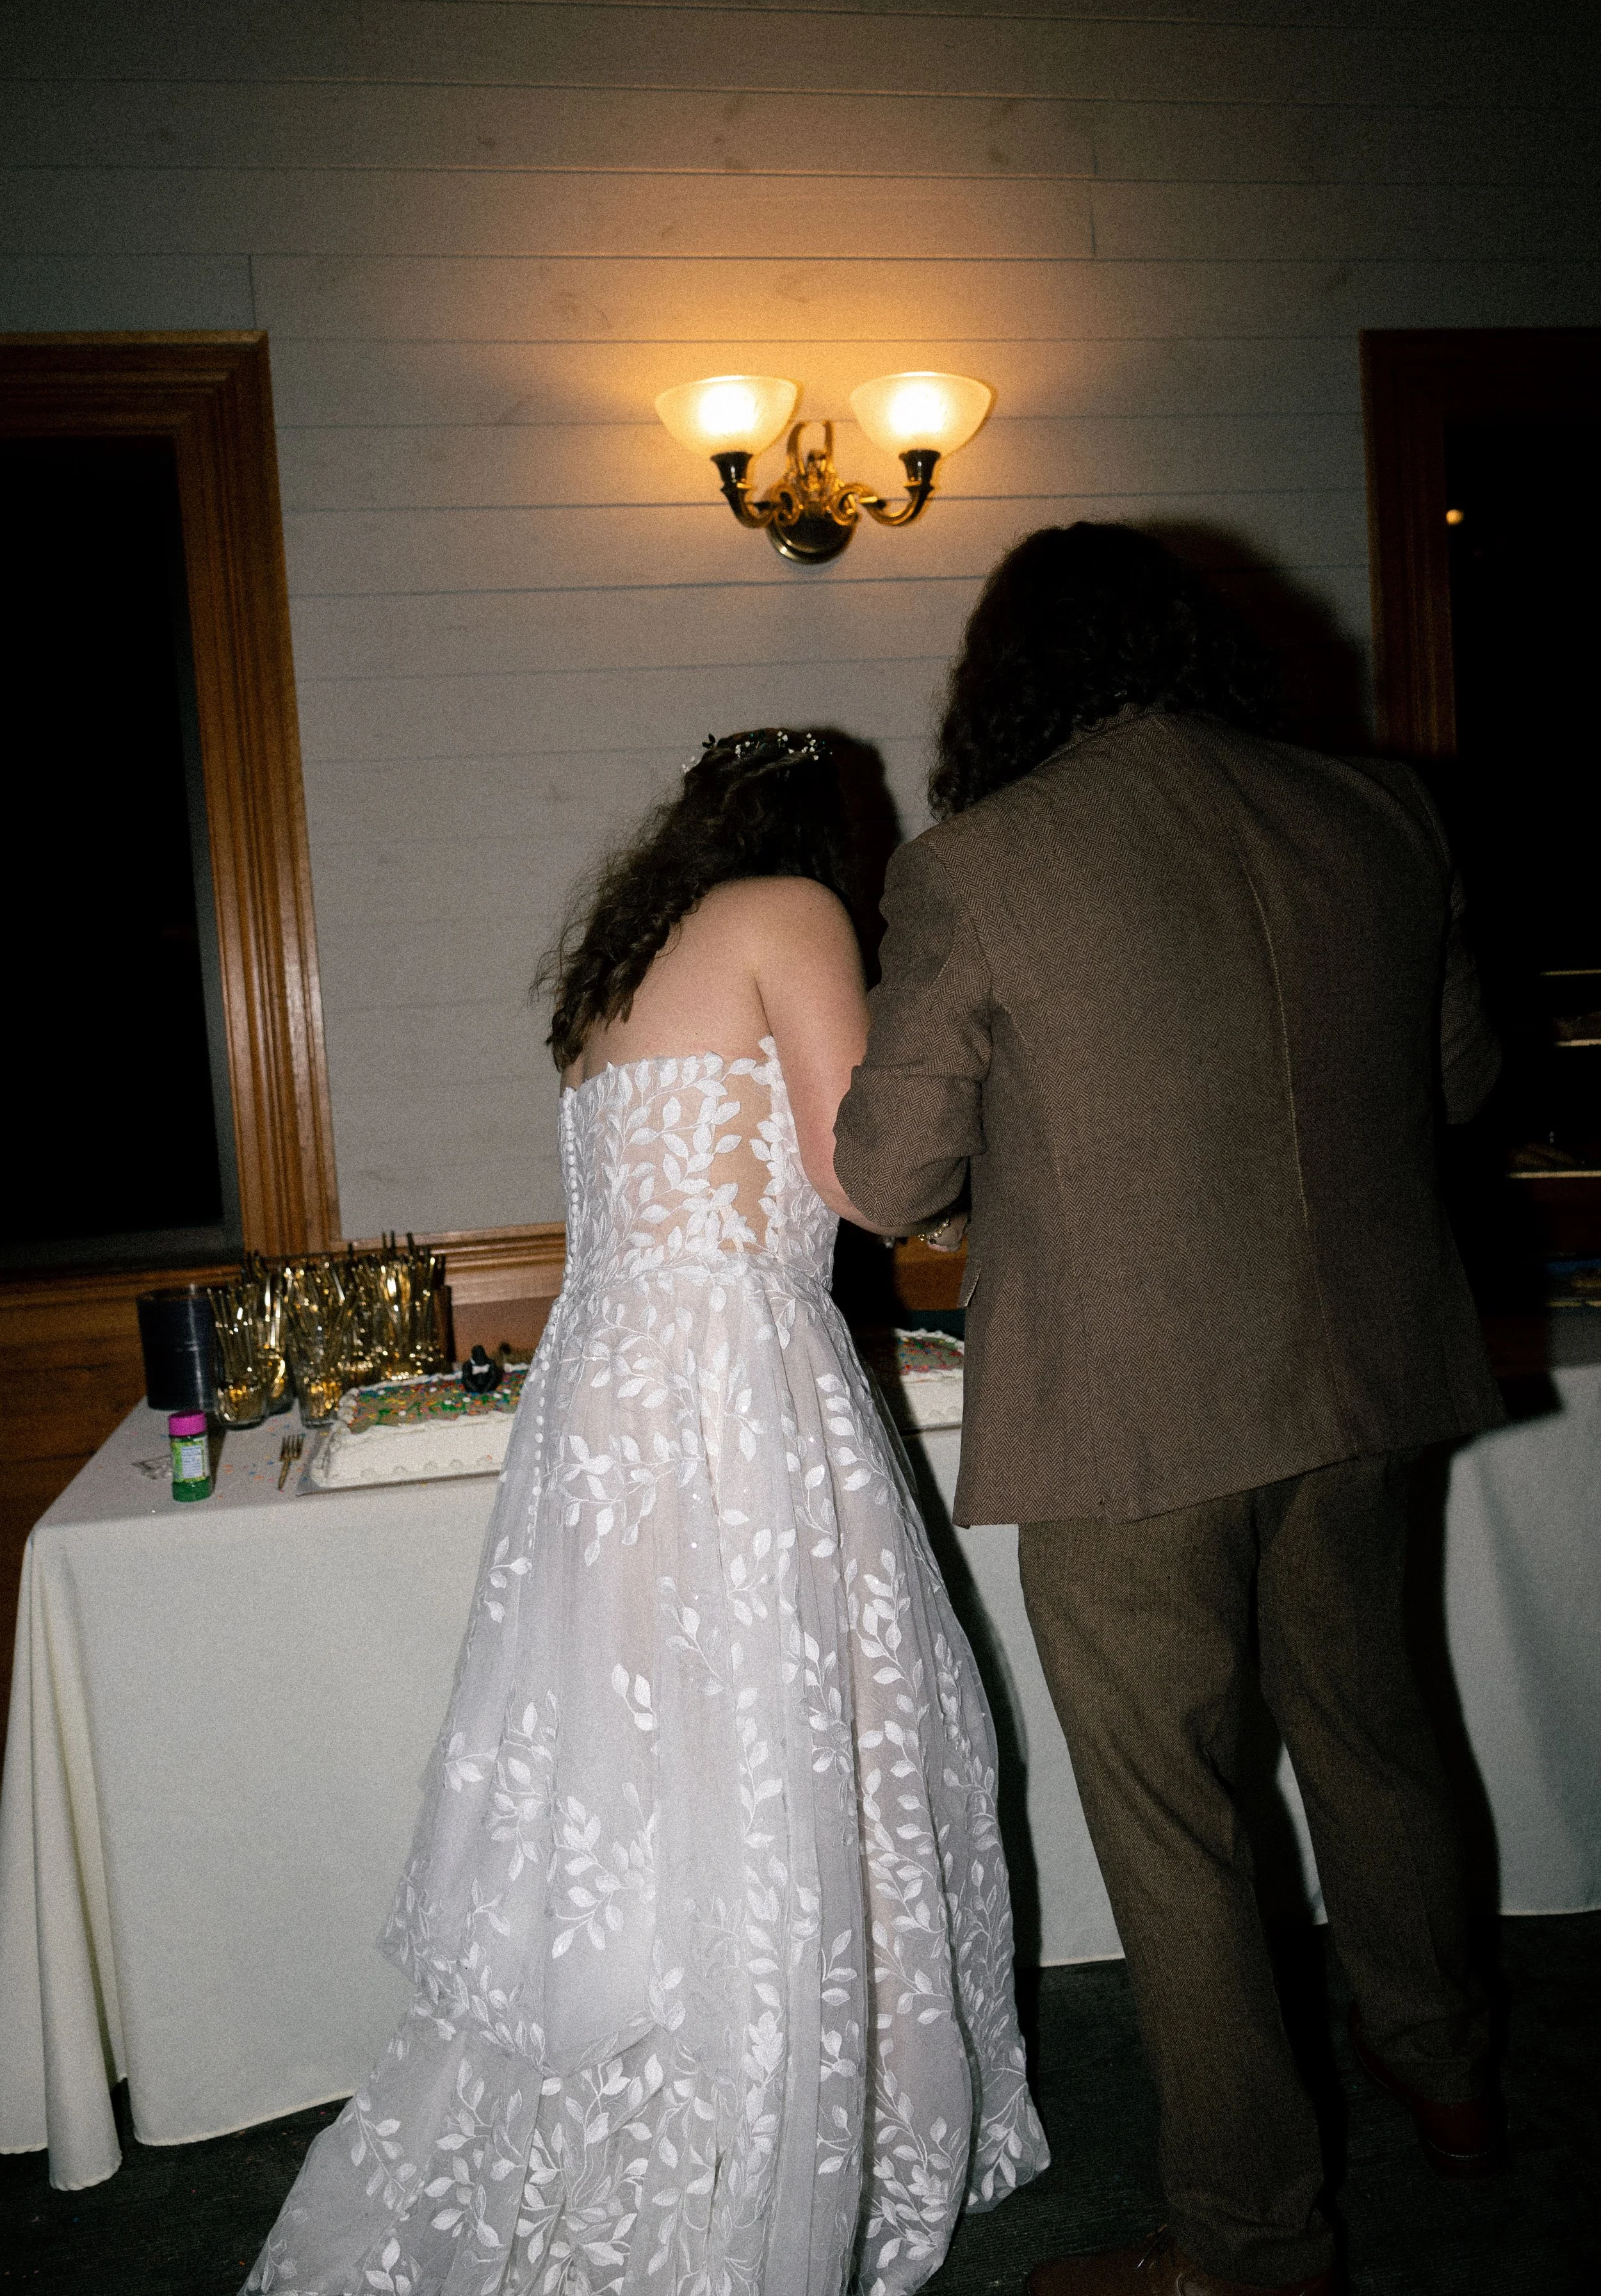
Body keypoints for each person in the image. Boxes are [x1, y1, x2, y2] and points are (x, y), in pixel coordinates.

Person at [245, 727, 1047, 2296]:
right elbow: (864, 1181)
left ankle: (650, 2092)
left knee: (647, 1769)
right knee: (771, 1745)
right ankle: (756, 2143)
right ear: (829, 834)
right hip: (733, 1386)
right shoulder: (790, 915)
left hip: (604, 1393)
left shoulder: (618, 970)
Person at [832, 526, 1505, 2296]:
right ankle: (1447, 2074)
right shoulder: (1379, 814)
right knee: (1378, 1736)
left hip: (1130, 1424)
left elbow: (885, 1178)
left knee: (1175, 1819)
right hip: (1361, 1383)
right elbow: (1459, 1078)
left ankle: (1246, 2242)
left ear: (1011, 676)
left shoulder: (980, 861)